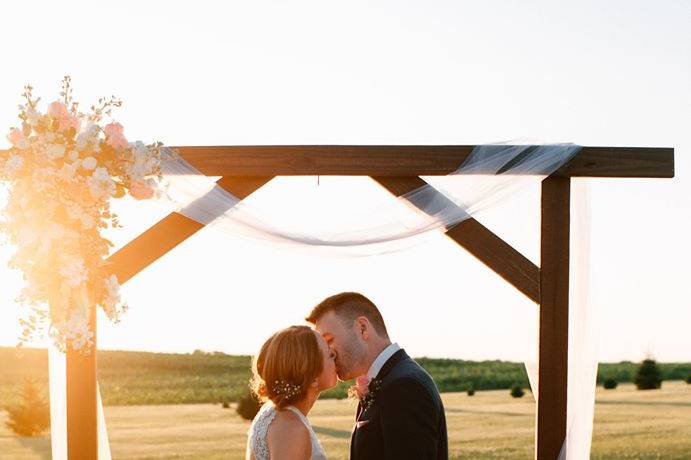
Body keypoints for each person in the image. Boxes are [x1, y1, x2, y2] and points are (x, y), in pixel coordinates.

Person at [306, 292, 448, 460]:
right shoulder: (389, 379)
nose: (328, 352)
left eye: (329, 340)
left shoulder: (404, 386)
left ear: (362, 328)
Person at [246, 325, 337, 460]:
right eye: (329, 353)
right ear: (311, 376)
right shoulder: (291, 429)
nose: (335, 355)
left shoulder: (273, 413)